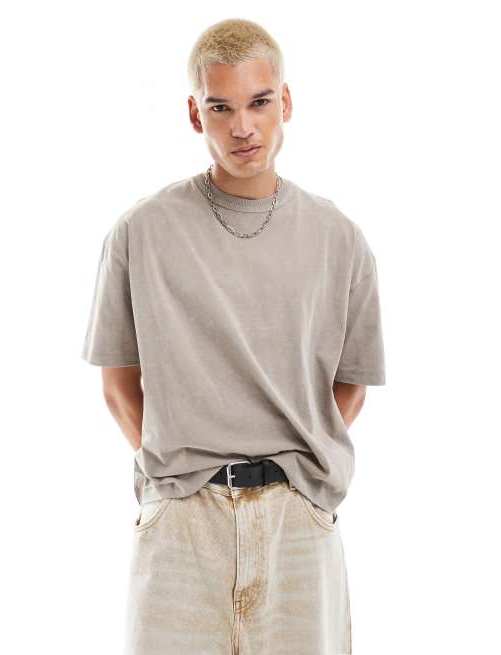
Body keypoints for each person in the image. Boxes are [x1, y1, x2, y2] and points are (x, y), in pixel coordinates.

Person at [81, 17, 386, 655]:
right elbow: (117, 385)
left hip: (297, 525)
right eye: (221, 107)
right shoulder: (141, 232)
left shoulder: (339, 239)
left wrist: (299, 477)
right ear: (196, 114)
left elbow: (352, 384)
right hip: (180, 524)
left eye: (259, 102)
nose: (242, 126)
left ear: (286, 103)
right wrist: (178, 471)